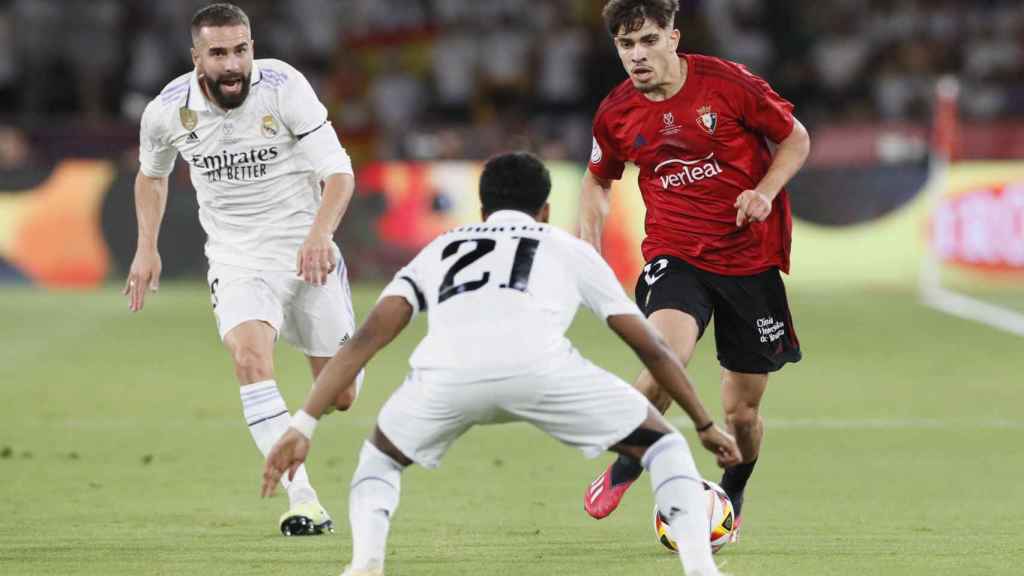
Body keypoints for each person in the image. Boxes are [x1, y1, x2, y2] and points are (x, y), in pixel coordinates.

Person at [262, 152, 743, 576]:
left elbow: (367, 338)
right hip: (542, 372)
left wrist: (303, 423)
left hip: (446, 376)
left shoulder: (442, 248)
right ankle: (700, 568)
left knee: (380, 460)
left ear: (483, 207)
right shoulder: (566, 246)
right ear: (546, 210)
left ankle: (366, 563)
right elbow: (652, 347)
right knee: (664, 448)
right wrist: (703, 423)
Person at [124, 2, 362, 536]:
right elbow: (151, 176)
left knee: (341, 396)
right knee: (251, 360)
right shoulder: (167, 110)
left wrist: (321, 234)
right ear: (196, 57)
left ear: (251, 46)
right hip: (237, 259)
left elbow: (339, 174)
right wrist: (147, 246)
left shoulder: (285, 87)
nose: (233, 64)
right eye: (219, 53)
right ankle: (304, 500)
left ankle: (320, 344)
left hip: (308, 250)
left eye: (241, 49)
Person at [579, 0, 811, 541]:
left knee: (743, 414)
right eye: (625, 45)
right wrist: (589, 243)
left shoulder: (728, 85)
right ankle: (630, 459)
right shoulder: (616, 113)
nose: (637, 55)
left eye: (648, 41)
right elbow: (597, 180)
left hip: (749, 262)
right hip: (675, 254)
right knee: (665, 352)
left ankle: (735, 485)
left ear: (673, 38)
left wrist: (763, 191)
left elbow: (795, 139)